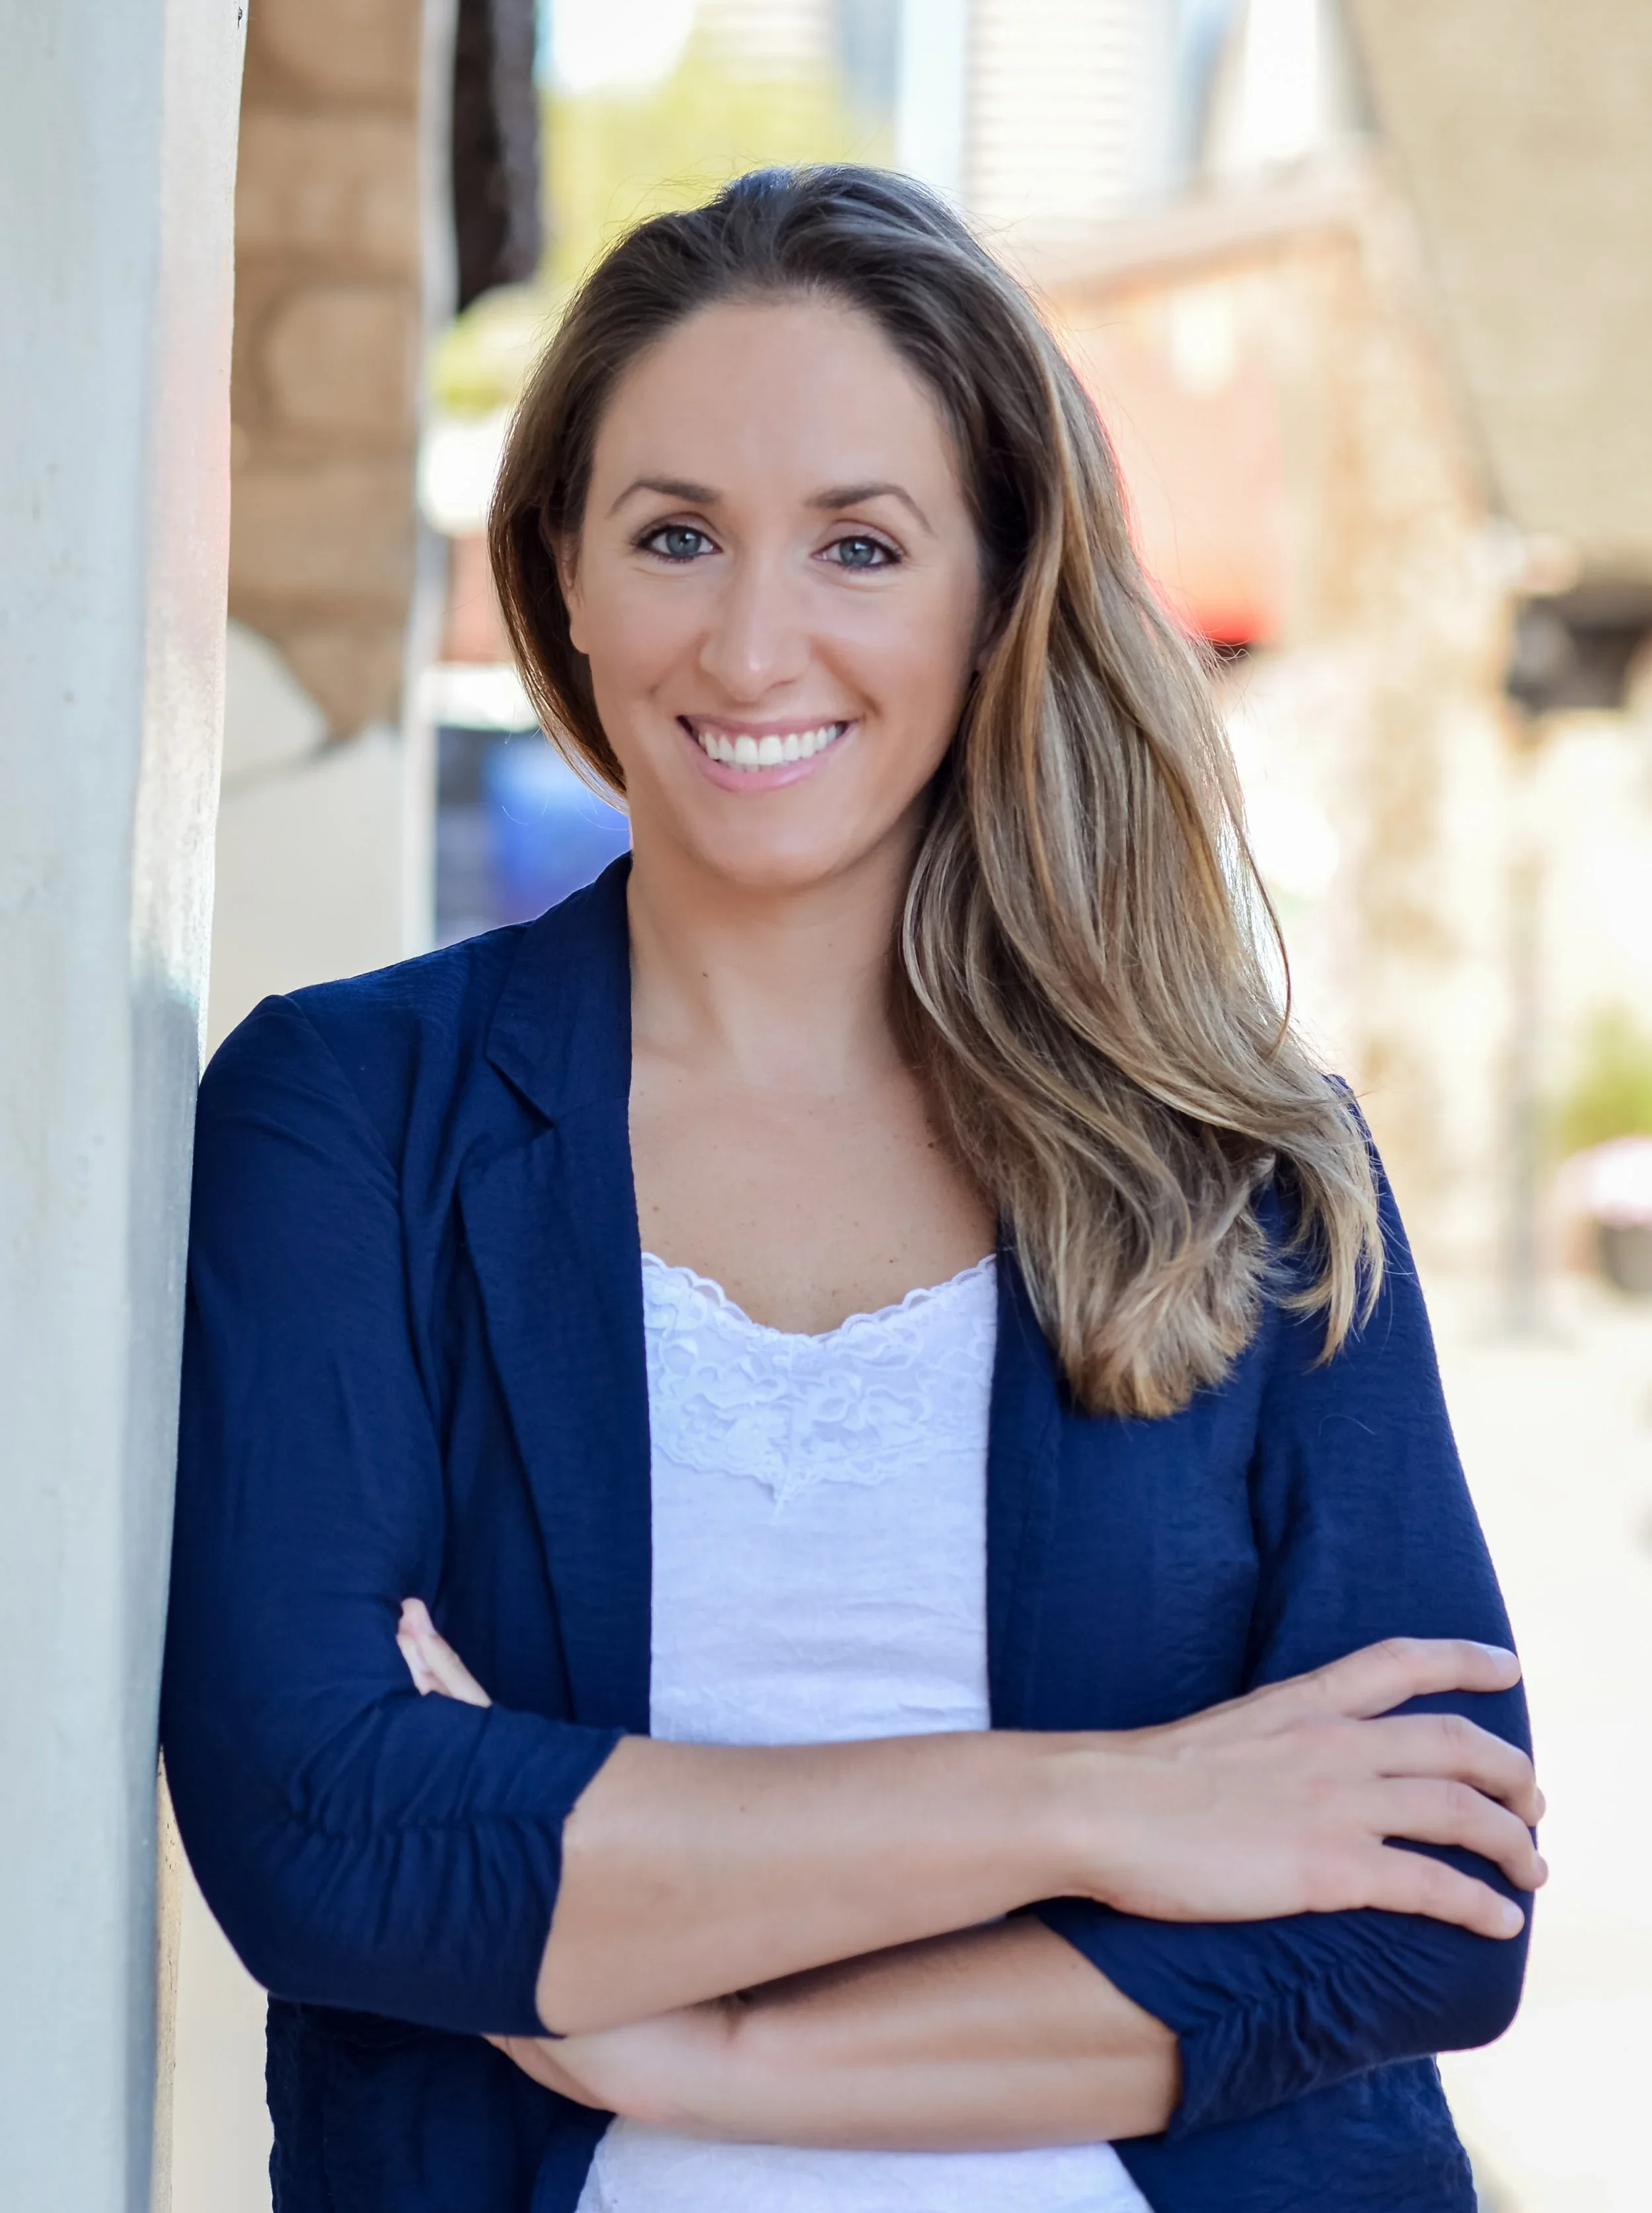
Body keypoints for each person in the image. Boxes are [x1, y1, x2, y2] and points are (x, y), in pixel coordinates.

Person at [162, 167, 1542, 2213]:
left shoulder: (1241, 1168)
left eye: (860, 545)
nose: (749, 638)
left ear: (994, 591)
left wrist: (698, 2035)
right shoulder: (349, 1115)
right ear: (556, 571)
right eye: (675, 535)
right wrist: (1117, 1807)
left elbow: (1429, 1898)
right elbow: (335, 1831)